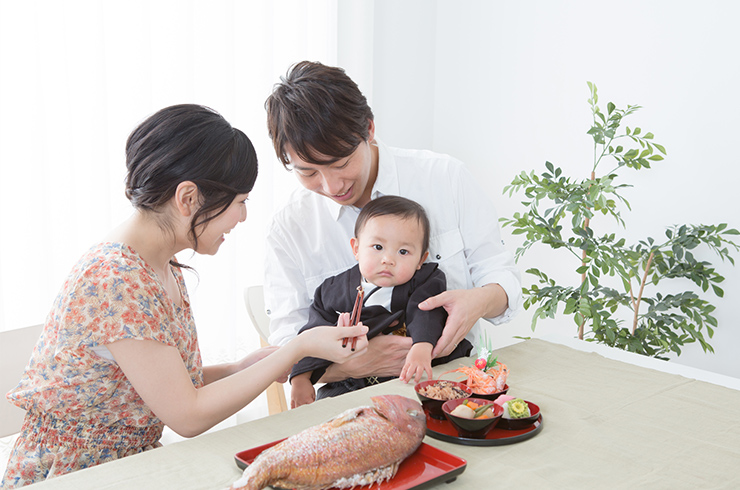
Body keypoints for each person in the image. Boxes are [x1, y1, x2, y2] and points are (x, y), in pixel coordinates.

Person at [0, 104, 368, 489]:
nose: (241, 217)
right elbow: (187, 416)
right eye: (240, 202)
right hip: (75, 476)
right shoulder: (116, 279)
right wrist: (297, 348)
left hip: (128, 467)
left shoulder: (159, 263)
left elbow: (160, 385)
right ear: (188, 198)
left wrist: (239, 368)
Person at [263, 61, 522, 399]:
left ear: (368, 129)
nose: (331, 185)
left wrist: (479, 300)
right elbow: (288, 343)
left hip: (448, 386)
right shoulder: (290, 228)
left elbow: (503, 279)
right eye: (308, 172)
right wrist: (352, 365)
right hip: (344, 400)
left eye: (341, 163)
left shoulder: (444, 178)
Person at [290, 195, 473, 407]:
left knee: (440, 397)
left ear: (421, 260)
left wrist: (422, 347)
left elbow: (426, 311)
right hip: (352, 383)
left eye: (403, 251)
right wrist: (301, 377)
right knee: (328, 409)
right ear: (356, 248)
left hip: (411, 373)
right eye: (378, 247)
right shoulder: (332, 290)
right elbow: (312, 334)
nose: (388, 259)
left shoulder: (425, 281)